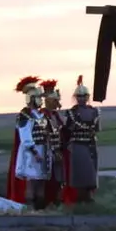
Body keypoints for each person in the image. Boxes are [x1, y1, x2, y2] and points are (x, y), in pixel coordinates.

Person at [7, 76, 49, 208]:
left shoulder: (41, 115)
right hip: (31, 152)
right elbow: (25, 136)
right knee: (32, 181)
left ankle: (40, 208)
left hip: (43, 149)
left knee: (41, 180)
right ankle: (30, 208)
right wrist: (34, 152)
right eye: (38, 97)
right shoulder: (25, 115)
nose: (41, 100)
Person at [62, 75, 100, 204]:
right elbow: (66, 131)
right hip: (77, 144)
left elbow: (96, 128)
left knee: (91, 170)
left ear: (87, 97)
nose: (81, 98)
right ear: (76, 97)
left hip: (90, 144)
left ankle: (89, 196)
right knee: (80, 172)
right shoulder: (71, 113)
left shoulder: (95, 112)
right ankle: (80, 197)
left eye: (84, 96)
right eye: (79, 96)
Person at [39, 79, 67, 207]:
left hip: (58, 150)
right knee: (47, 178)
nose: (57, 104)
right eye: (55, 101)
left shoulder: (56, 115)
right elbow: (44, 133)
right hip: (47, 151)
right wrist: (52, 150)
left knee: (59, 178)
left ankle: (57, 202)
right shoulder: (42, 115)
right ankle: (44, 203)